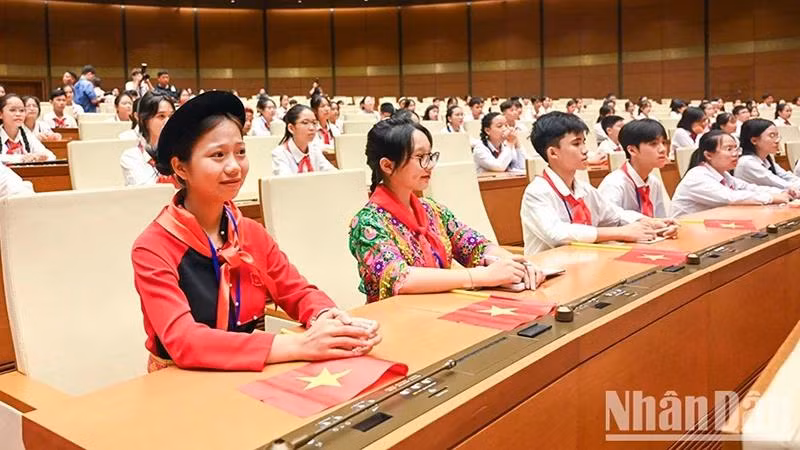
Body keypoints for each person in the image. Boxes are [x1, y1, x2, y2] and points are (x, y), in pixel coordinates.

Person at [132, 91, 380, 371]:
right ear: (181, 168)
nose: (234, 167)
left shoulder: (250, 233)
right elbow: (184, 341)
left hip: (248, 371)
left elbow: (298, 292)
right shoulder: (154, 247)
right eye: (217, 155)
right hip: (181, 382)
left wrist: (328, 319)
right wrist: (300, 345)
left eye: (240, 152)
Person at [348, 117, 543, 303]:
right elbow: (400, 278)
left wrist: (516, 264)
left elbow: (475, 245)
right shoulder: (368, 222)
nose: (430, 165)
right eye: (420, 157)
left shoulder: (431, 209)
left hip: (441, 306)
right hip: (396, 320)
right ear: (387, 165)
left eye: (430, 156)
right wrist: (479, 276)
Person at [520, 112, 662, 255]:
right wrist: (620, 232)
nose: (585, 150)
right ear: (553, 153)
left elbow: (614, 215)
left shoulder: (584, 189)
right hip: (549, 270)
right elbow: (558, 234)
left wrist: (649, 222)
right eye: (576, 144)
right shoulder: (537, 191)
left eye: (584, 142)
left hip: (584, 263)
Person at [670, 130, 790, 217]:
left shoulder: (723, 174)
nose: (735, 154)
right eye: (729, 149)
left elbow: (748, 187)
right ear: (708, 155)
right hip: (686, 231)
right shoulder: (697, 177)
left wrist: (781, 192)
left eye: (736, 149)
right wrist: (771, 198)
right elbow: (731, 197)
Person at [598, 119, 675, 219]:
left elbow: (661, 219)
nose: (663, 149)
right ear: (632, 150)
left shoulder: (654, 182)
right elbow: (606, 221)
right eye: (653, 144)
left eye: (663, 142)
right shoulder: (614, 184)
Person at [120, 93, 176, 186]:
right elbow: (148, 191)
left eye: (171, 116)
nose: (168, 121)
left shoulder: (181, 151)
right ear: (144, 120)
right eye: (161, 116)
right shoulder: (131, 157)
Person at [733, 118, 800, 192]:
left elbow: (788, 177)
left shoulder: (765, 159)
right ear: (754, 140)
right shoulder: (747, 162)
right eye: (772, 135)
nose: (777, 140)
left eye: (777, 136)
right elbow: (784, 185)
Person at [271, 104, 336, 175]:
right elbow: (287, 183)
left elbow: (331, 173)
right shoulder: (279, 154)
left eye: (314, 123)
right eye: (305, 123)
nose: (312, 128)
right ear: (291, 128)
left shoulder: (314, 149)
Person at [0, 94, 56, 164]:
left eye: (21, 110)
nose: (18, 114)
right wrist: (22, 158)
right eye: (12, 110)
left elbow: (51, 156)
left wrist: (38, 157)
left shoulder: (26, 134)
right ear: (1, 114)